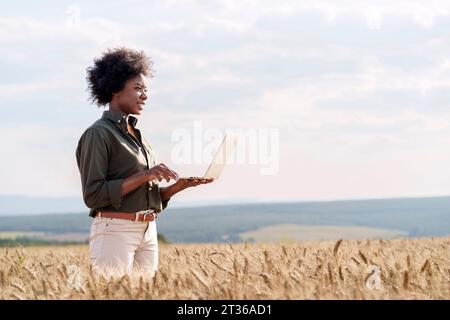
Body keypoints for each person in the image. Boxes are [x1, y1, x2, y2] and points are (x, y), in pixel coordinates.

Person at [76, 47, 213, 277]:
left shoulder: (138, 135)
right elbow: (93, 195)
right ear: (114, 90)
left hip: (148, 230)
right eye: (137, 88)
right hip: (115, 231)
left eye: (146, 89)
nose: (145, 95)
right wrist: (146, 175)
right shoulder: (98, 134)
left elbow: (140, 195)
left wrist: (176, 188)